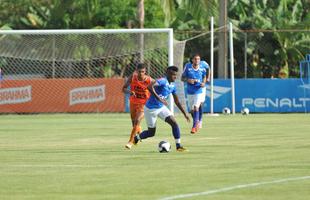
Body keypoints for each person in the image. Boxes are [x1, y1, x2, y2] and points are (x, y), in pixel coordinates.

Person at [133, 66, 190, 152]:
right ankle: (137, 138)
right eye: (173, 75)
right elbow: (149, 87)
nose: (175, 77)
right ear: (168, 74)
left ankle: (178, 146)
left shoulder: (173, 86)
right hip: (150, 109)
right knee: (151, 133)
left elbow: (177, 101)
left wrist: (185, 114)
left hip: (161, 108)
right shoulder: (162, 81)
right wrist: (159, 98)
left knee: (174, 123)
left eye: (176, 75)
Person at [122, 63, 154, 149]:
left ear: (145, 71)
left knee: (137, 120)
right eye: (139, 72)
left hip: (144, 104)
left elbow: (157, 87)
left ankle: (130, 142)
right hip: (133, 102)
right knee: (134, 124)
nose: (141, 74)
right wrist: (130, 92)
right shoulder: (133, 77)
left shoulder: (149, 80)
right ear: (136, 71)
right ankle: (139, 133)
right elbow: (123, 89)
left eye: (143, 72)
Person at [182, 54, 209, 134]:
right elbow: (182, 78)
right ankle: (197, 122)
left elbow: (204, 76)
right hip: (190, 92)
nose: (197, 61)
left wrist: (204, 83)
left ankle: (194, 126)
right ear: (192, 60)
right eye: (195, 59)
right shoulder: (188, 67)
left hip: (199, 91)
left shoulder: (202, 68)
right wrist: (188, 80)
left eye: (198, 59)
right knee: (191, 110)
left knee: (196, 107)